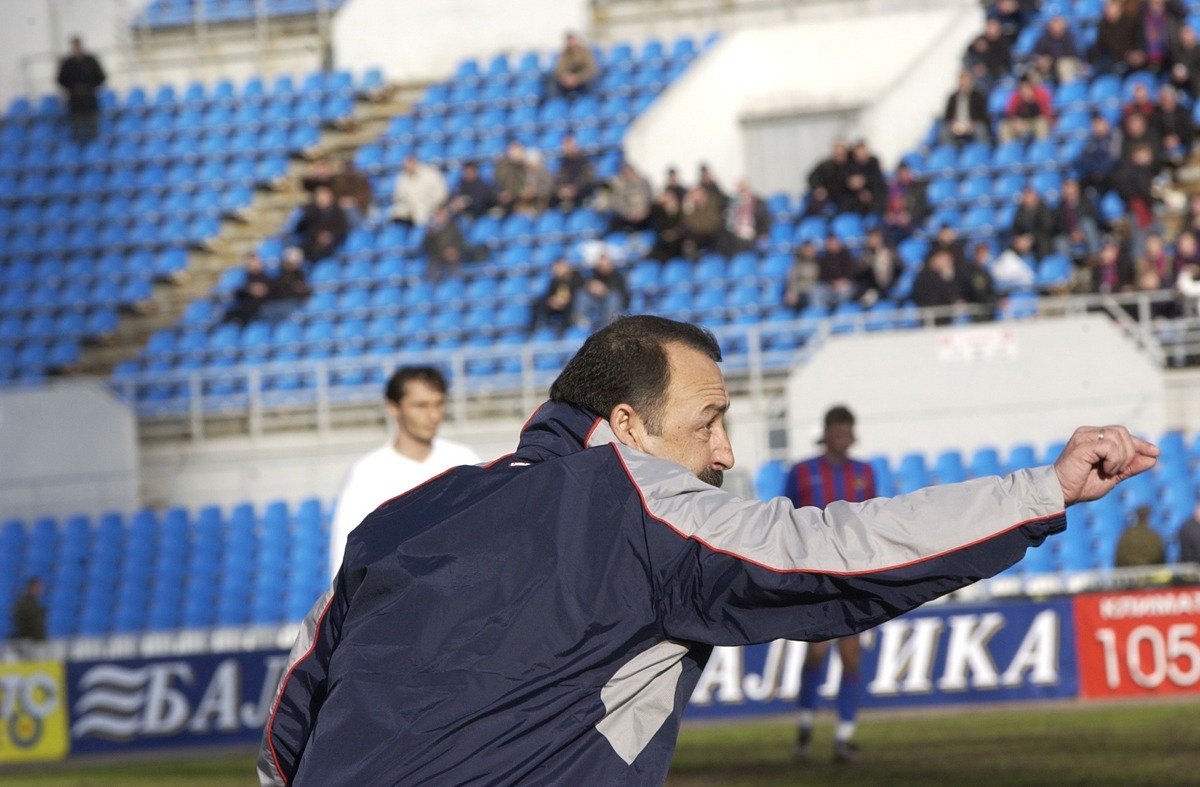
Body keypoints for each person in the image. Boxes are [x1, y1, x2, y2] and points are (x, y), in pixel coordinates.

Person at [259, 314, 1157, 786]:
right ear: (625, 428)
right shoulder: (636, 498)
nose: (725, 452)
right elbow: (830, 552)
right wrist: (1041, 490)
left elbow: (287, 717)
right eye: (710, 421)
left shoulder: (408, 515)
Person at [784, 406, 875, 764]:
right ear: (826, 432)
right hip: (816, 575)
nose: (842, 436)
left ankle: (843, 739)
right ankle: (805, 730)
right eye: (836, 429)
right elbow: (786, 517)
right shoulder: (802, 472)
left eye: (847, 429)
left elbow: (874, 519)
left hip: (853, 577)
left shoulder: (864, 473)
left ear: (852, 434)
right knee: (817, 651)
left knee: (851, 656)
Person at [328, 366, 479, 580]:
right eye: (421, 405)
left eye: (439, 403)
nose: (433, 414)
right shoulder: (367, 474)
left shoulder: (464, 460)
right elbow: (345, 552)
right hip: (396, 599)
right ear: (393, 407)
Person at [56, 36, 106, 143]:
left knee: (93, 127)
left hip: (89, 99)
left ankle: (93, 148)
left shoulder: (91, 61)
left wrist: (90, 87)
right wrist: (73, 88)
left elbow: (101, 77)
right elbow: (60, 80)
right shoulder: (68, 63)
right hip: (75, 100)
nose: (77, 49)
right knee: (76, 129)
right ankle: (78, 149)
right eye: (75, 47)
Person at [529, 257, 585, 335]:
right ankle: (535, 326)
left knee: (573, 304)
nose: (555, 270)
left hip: (570, 305)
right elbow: (549, 294)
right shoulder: (555, 280)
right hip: (557, 306)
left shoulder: (576, 277)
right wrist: (552, 301)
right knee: (540, 301)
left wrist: (564, 302)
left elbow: (579, 293)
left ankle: (565, 328)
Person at [1090, 0, 1146, 75]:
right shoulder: (1103, 25)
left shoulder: (1131, 21)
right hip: (1115, 61)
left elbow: (1139, 41)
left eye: (1110, 6)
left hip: (1133, 60)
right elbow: (1100, 47)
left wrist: (1138, 53)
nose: (1107, 9)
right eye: (1106, 6)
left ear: (1119, 7)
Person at [295, 185, 349, 262]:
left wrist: (330, 236)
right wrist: (318, 235)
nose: (322, 199)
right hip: (312, 241)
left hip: (332, 242)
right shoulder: (310, 210)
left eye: (325, 196)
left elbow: (342, 228)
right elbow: (302, 228)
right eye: (320, 196)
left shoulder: (338, 212)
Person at [391, 155, 449, 227]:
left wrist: (432, 206)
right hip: (409, 213)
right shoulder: (402, 177)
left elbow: (441, 194)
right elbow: (399, 196)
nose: (407, 168)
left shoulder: (431, 174)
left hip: (430, 210)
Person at [420, 204, 474, 281]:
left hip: (453, 258)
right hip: (437, 258)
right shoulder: (431, 231)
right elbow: (425, 247)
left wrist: (455, 251)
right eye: (439, 215)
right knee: (432, 271)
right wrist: (430, 236)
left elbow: (461, 243)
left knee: (455, 271)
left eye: (443, 214)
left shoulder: (455, 229)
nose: (441, 217)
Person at [579, 251, 630, 328]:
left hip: (614, 304)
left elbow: (620, 293)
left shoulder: (617, 276)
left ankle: (610, 321)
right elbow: (587, 284)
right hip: (597, 302)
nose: (603, 267)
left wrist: (604, 290)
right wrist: (590, 286)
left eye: (605, 265)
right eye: (600, 265)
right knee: (582, 294)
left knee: (613, 297)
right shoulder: (595, 274)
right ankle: (581, 320)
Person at [999, 76, 1054, 143]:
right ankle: (1010, 150)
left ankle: (1041, 148)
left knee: (1041, 124)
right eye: (1022, 88)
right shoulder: (1016, 97)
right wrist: (1014, 122)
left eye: (1027, 87)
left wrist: (1032, 100)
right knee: (1004, 127)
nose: (1025, 91)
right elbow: (1009, 114)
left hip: (1036, 121)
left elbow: (1047, 114)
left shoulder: (1040, 95)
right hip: (1022, 122)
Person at [941, 71, 991, 145]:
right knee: (944, 131)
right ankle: (949, 152)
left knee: (980, 129)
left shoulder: (977, 96)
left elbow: (983, 115)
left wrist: (971, 124)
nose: (964, 85)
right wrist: (952, 125)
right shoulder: (953, 98)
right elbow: (947, 116)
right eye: (962, 83)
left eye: (966, 82)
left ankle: (982, 149)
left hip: (972, 125)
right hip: (956, 125)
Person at [226, 252, 275, 325]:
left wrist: (262, 290)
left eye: (257, 261)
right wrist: (249, 289)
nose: (256, 263)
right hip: (243, 310)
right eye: (252, 262)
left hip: (260, 310)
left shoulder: (266, 278)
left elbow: (271, 292)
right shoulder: (244, 277)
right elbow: (237, 292)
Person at [551, 134, 597, 210]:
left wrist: (575, 189)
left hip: (581, 194)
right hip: (566, 194)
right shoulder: (563, 162)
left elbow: (587, 178)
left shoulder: (584, 161)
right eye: (565, 146)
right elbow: (559, 178)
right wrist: (561, 189)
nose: (568, 148)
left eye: (570, 145)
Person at [1032, 14, 1082, 84]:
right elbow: (1037, 53)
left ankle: (1066, 91)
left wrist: (1051, 59)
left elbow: (1072, 54)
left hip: (1066, 62)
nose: (1056, 27)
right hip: (1049, 64)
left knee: (1064, 65)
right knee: (1033, 71)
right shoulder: (1044, 38)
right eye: (1053, 24)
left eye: (1058, 24)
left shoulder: (1069, 37)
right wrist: (1041, 60)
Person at [608, 161, 654, 232]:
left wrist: (644, 211)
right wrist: (629, 213)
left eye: (630, 172)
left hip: (645, 214)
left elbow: (650, 196)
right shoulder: (620, 186)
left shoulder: (644, 182)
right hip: (628, 217)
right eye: (625, 172)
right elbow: (617, 202)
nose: (628, 174)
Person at [551, 31, 598, 98]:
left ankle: (588, 100)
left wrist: (577, 78)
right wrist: (565, 77)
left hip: (581, 79)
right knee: (552, 79)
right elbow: (560, 68)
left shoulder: (585, 53)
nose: (571, 42)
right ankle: (556, 101)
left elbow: (590, 69)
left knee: (590, 80)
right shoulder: (564, 54)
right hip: (567, 80)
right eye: (569, 40)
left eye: (573, 40)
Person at [784, 239, 820, 312]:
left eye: (811, 249)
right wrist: (792, 291)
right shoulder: (797, 264)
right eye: (807, 250)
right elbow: (792, 279)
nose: (809, 252)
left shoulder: (819, 262)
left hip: (814, 290)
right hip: (800, 291)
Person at [11, 577, 47, 647]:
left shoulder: (36, 604)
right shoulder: (24, 604)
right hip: (28, 641)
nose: (39, 589)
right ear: (31, 587)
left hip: (37, 640)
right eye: (37, 587)